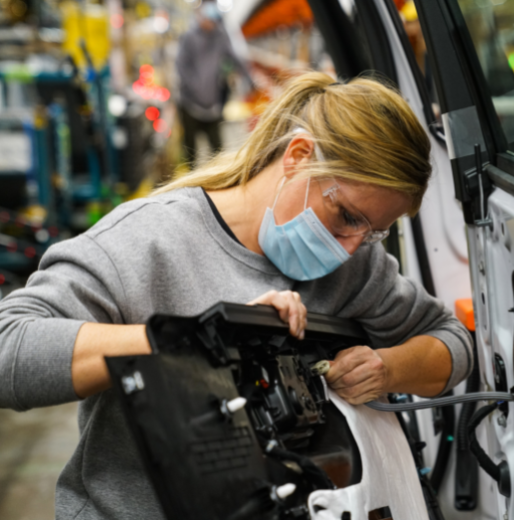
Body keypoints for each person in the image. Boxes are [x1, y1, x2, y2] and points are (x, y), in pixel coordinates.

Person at [0, 72, 473, 519]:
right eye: (347, 217)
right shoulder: (149, 241)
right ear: (298, 156)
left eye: (373, 232)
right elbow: (10, 350)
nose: (351, 247)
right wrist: (202, 340)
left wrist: (389, 368)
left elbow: (453, 343)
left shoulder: (355, 267)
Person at [176, 1, 248, 167]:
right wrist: (196, 89)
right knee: (190, 153)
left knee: (218, 152)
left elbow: (236, 58)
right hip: (190, 105)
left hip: (212, 107)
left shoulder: (220, 35)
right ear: (200, 13)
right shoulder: (189, 36)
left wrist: (250, 80)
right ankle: (190, 186)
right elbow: (181, 67)